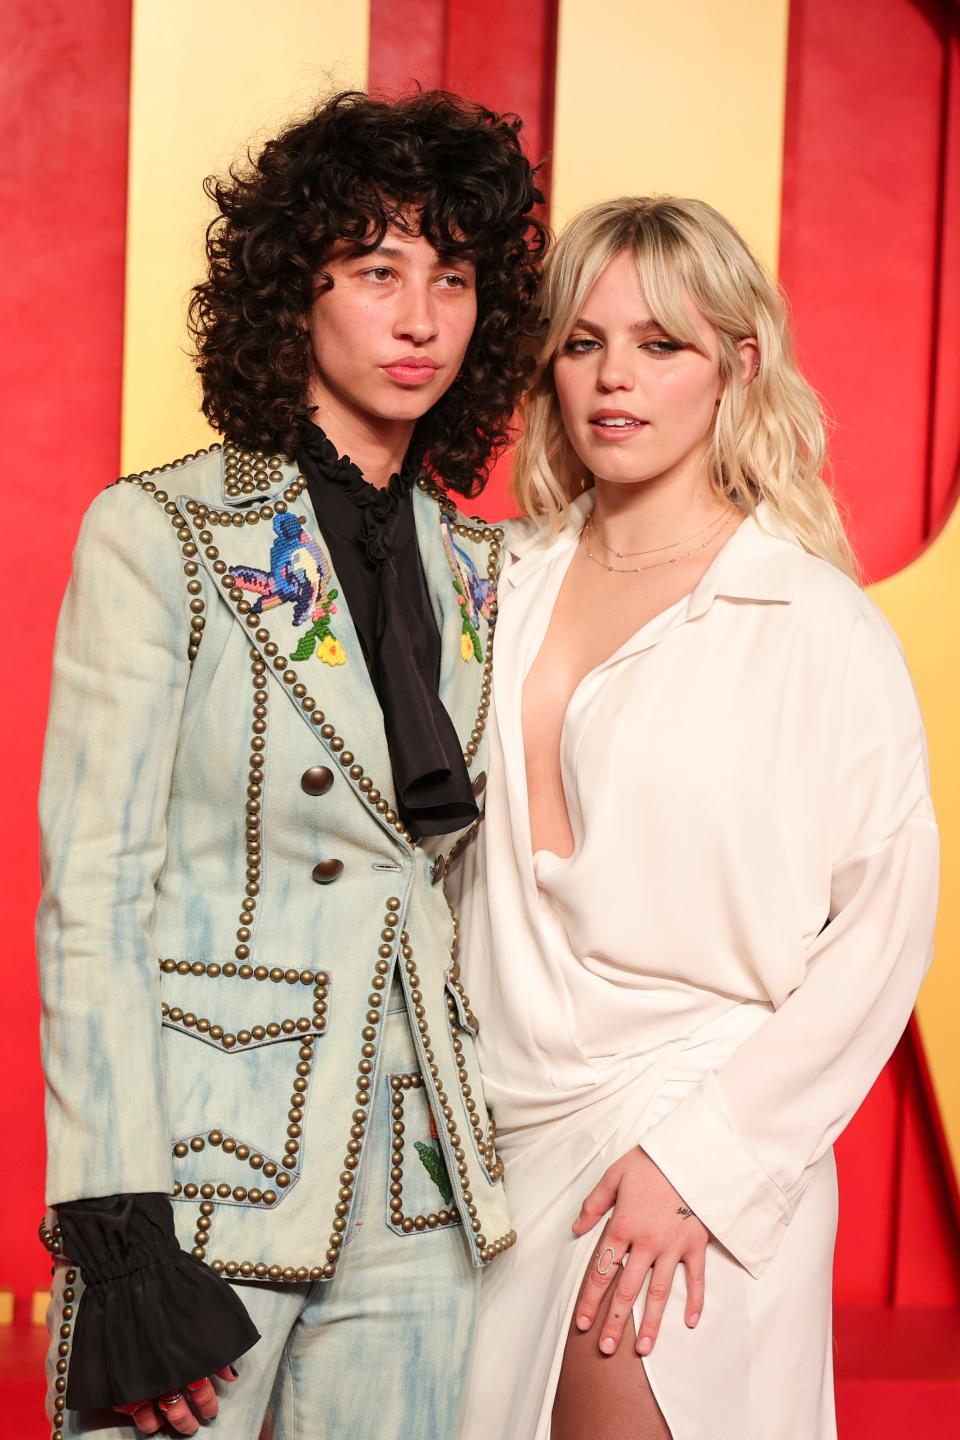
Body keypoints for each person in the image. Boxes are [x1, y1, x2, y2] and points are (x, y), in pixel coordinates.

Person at [37, 88, 544, 1440]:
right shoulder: (163, 533)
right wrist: (115, 1226)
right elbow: (93, 894)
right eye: (378, 272)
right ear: (296, 293)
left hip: (418, 1184)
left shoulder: (485, 569)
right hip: (206, 1171)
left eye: (452, 276)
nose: (421, 315)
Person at [451, 196, 939, 1440]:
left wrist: (706, 1163)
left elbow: (885, 929)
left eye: (663, 343)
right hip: (488, 1151)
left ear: (741, 365)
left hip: (695, 1138)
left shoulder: (811, 625)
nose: (616, 378)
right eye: (583, 341)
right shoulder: (492, 587)